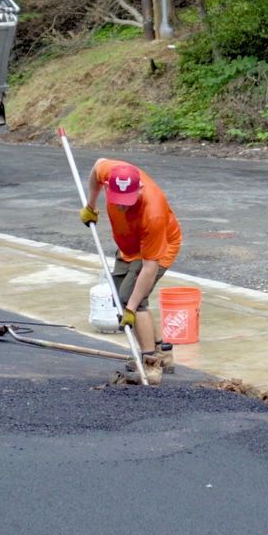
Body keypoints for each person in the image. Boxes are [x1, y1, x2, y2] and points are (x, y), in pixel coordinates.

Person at [82, 159, 181, 384]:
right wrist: (91, 205)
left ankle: (150, 363)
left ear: (140, 189)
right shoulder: (108, 172)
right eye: (118, 201)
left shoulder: (152, 213)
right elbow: (96, 167)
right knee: (122, 297)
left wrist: (131, 307)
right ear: (108, 186)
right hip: (128, 246)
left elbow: (149, 267)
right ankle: (163, 352)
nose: (123, 207)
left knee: (133, 300)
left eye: (128, 201)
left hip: (158, 250)